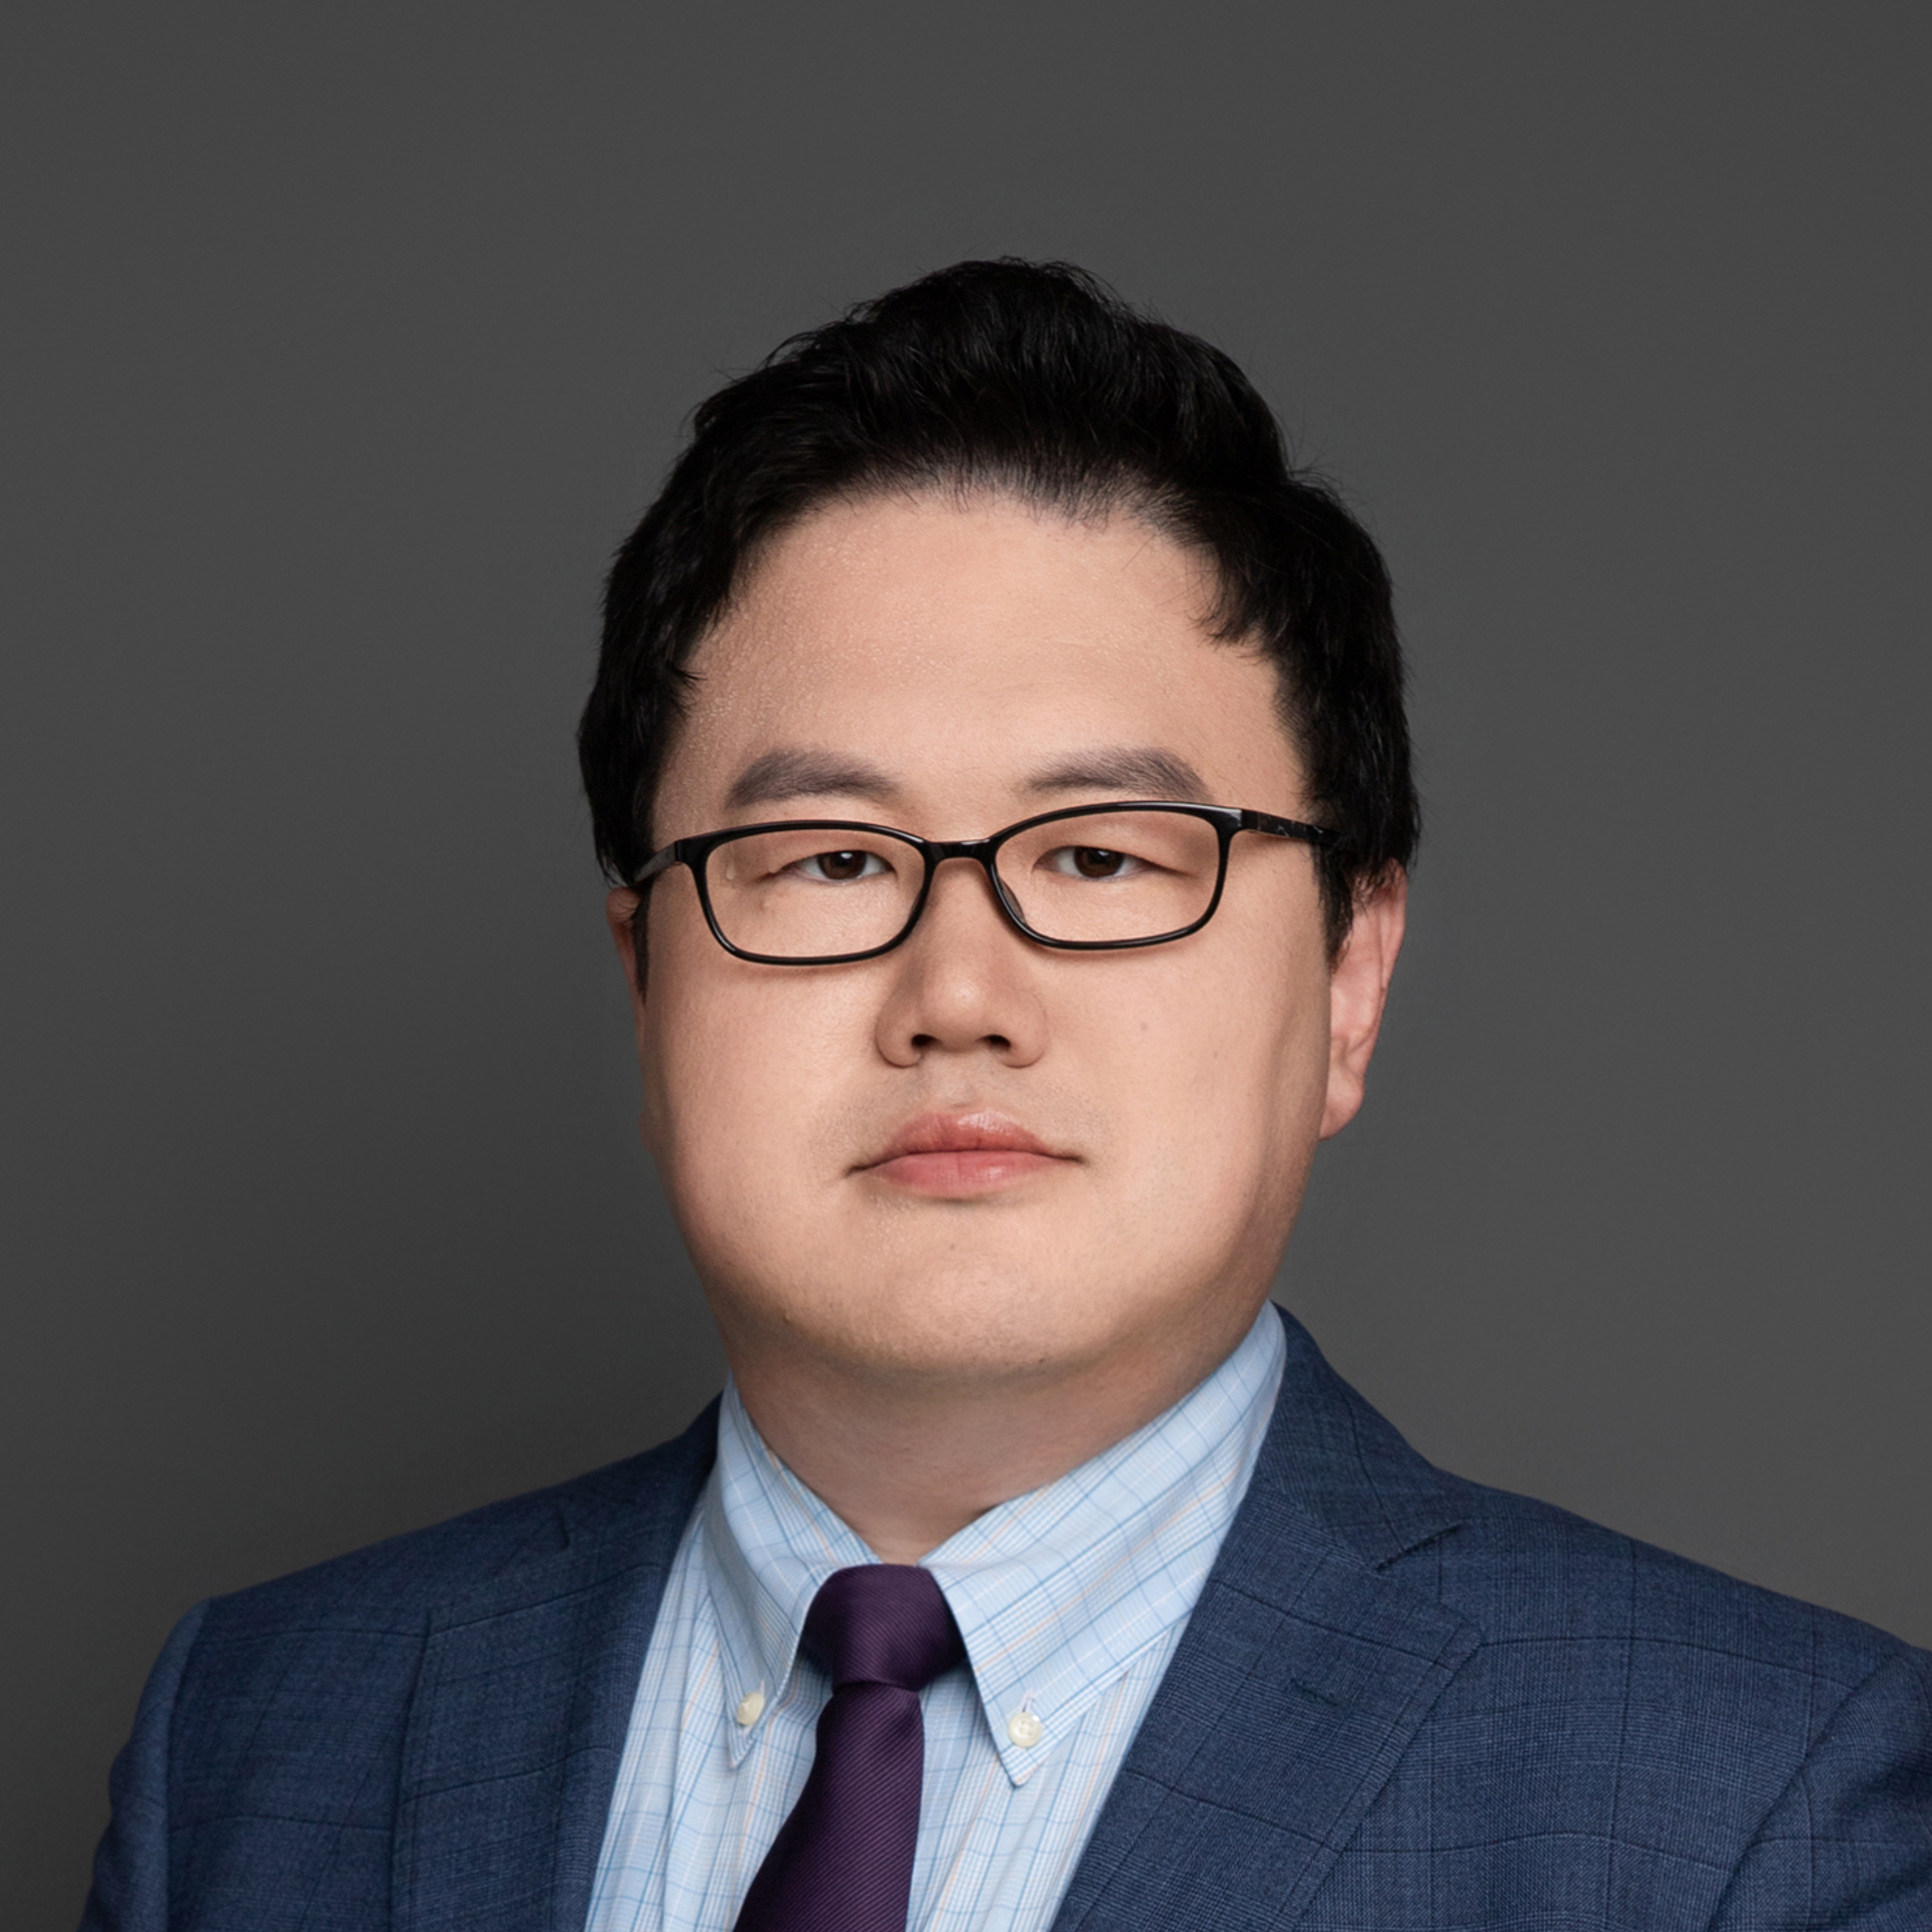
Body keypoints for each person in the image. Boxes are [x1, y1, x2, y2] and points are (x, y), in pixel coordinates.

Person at [82, 260, 1930, 1932]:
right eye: (827, 861)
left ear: (1351, 979)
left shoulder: (1757, 1815)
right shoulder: (258, 1737)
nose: (958, 999)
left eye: (1105, 859)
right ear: (645, 982)